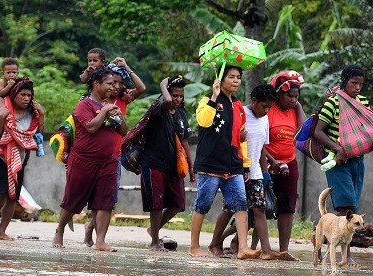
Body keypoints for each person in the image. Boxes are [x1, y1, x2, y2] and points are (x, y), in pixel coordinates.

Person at [312, 65, 373, 269]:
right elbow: (318, 132)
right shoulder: (333, 103)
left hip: (357, 160)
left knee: (353, 205)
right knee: (345, 206)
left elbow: (368, 128)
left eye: (361, 84)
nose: (357, 88)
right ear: (344, 81)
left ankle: (325, 242)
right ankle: (347, 256)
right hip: (338, 161)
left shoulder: (362, 103)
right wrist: (338, 149)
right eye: (354, 83)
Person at [190, 66, 260, 260]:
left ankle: (243, 248)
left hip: (233, 165)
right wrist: (214, 96)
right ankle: (194, 247)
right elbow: (204, 121)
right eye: (231, 77)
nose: (236, 81)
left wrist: (245, 164)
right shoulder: (207, 100)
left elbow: (241, 139)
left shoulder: (238, 107)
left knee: (240, 204)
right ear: (221, 79)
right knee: (203, 204)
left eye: (238, 77)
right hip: (210, 164)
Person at [53, 68, 126, 251]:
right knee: (73, 200)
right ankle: (59, 230)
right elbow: (91, 127)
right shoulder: (84, 105)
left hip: (108, 162)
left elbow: (123, 131)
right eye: (109, 83)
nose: (113, 87)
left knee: (105, 202)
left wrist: (118, 115)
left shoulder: (110, 105)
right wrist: (104, 111)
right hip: (83, 161)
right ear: (96, 84)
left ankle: (100, 241)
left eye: (114, 84)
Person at [213, 85, 287, 260]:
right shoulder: (240, 113)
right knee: (230, 209)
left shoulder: (265, 119)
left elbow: (262, 147)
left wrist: (264, 172)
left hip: (255, 172)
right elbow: (225, 139)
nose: (267, 110)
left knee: (259, 210)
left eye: (270, 107)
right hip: (236, 171)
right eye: (264, 106)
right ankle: (214, 244)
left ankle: (267, 250)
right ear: (254, 101)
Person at [83, 57, 146, 246]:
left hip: (115, 154)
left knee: (109, 198)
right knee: (96, 198)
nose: (116, 86)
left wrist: (127, 67)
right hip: (95, 155)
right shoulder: (93, 101)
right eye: (113, 82)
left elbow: (141, 89)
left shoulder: (123, 99)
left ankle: (94, 231)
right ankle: (90, 228)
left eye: (120, 83)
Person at [0, 77, 44, 240]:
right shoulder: (1, 108)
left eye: (29, 96)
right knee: (2, 191)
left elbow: (38, 133)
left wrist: (42, 114)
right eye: (22, 95)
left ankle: (1, 231)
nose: (26, 99)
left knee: (13, 196)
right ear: (14, 94)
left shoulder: (32, 113)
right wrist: (2, 116)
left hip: (19, 158)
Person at [139, 76, 193, 251]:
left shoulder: (182, 114)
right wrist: (162, 84)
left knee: (177, 204)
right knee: (157, 205)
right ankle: (154, 242)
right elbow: (167, 102)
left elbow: (184, 142)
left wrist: (192, 167)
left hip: (174, 166)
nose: (177, 99)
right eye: (174, 95)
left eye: (180, 96)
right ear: (167, 94)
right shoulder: (158, 109)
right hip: (154, 163)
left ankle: (152, 230)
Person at [266, 70, 306, 261]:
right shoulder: (269, 108)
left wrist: (297, 106)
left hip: (289, 163)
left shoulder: (294, 109)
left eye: (297, 97)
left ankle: (283, 250)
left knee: (288, 206)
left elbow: (304, 131)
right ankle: (248, 245)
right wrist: (270, 162)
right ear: (279, 93)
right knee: (260, 205)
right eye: (290, 95)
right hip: (266, 162)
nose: (293, 100)